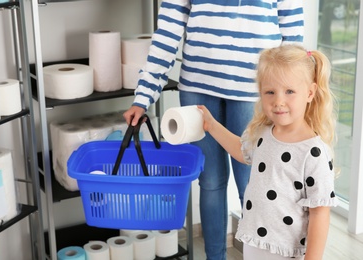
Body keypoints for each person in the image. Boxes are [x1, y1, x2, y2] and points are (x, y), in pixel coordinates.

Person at [123, 1, 304, 258]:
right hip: (198, 85)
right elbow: (167, 31)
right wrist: (143, 96)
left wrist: (290, 94)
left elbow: (293, 35)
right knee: (210, 182)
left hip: (256, 89)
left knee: (254, 186)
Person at [198, 44, 339, 259]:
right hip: (255, 240)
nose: (278, 101)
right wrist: (212, 125)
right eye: (270, 92)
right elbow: (240, 149)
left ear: (310, 93)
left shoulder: (314, 152)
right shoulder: (263, 133)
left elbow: (320, 213)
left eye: (289, 91)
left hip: (286, 250)